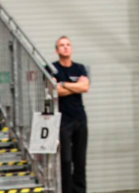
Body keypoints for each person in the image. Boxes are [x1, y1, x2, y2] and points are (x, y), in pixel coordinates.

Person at [52, 37, 88, 193]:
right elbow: (54, 90)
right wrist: (75, 86)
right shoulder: (52, 69)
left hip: (80, 118)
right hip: (63, 120)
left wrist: (63, 84)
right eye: (62, 45)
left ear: (71, 48)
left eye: (68, 45)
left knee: (80, 160)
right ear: (57, 50)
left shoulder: (80, 68)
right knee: (65, 160)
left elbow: (85, 87)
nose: (65, 47)